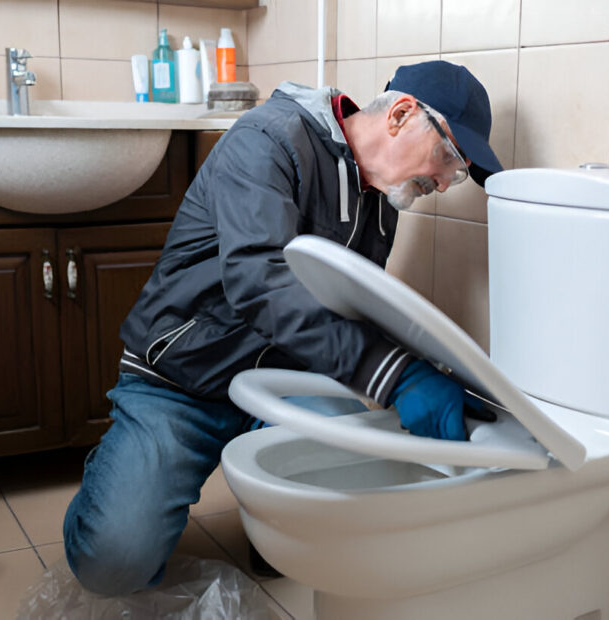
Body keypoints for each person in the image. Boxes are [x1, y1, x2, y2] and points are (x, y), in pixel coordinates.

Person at [63, 60, 503, 595]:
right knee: (115, 563)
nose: (443, 182)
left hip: (285, 382)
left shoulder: (380, 202)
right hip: (182, 380)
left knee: (328, 523)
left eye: (455, 173)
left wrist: (440, 370)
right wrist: (397, 376)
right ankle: (115, 472)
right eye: (450, 157)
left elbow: (351, 307)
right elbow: (260, 283)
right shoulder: (268, 140)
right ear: (402, 115)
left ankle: (263, 521)